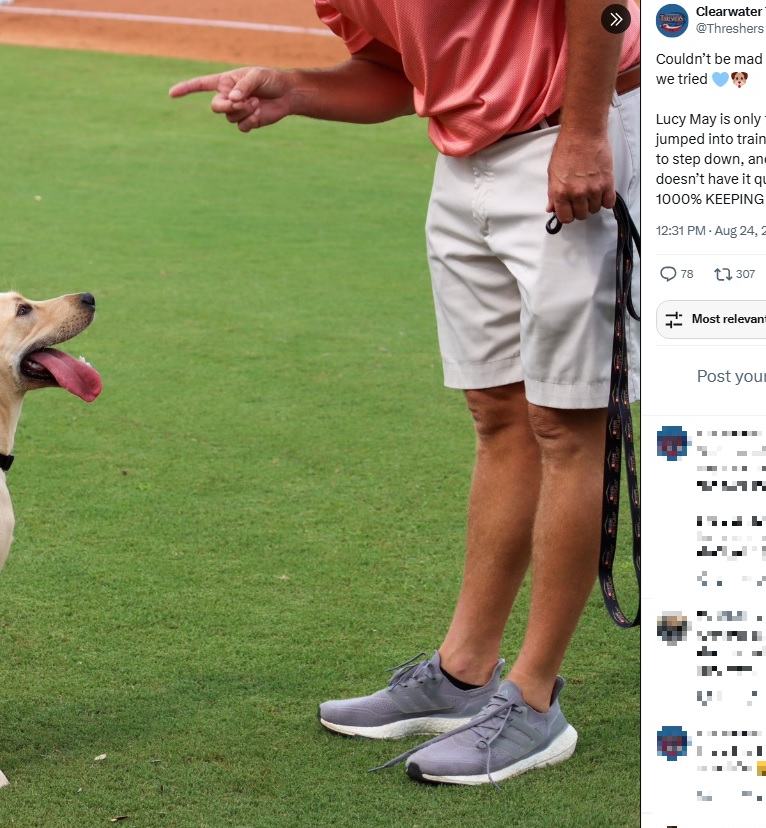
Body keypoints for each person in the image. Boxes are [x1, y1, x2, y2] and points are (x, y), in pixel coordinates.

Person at [170, 1, 639, 785]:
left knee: (565, 421)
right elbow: (402, 76)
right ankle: (462, 673)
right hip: (468, 165)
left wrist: (586, 131)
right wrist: (296, 89)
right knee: (497, 412)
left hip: (579, 132)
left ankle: (532, 700)